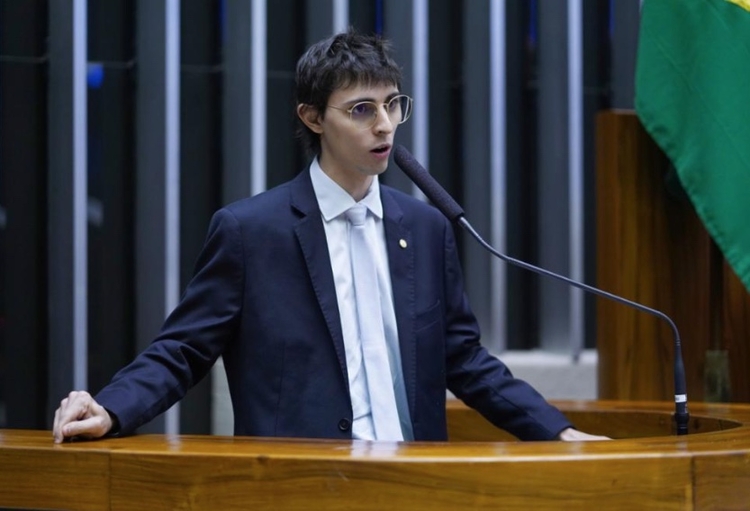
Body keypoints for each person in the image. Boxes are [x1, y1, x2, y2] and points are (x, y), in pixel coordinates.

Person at [53, 29, 606, 444]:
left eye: (393, 105)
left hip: (420, 479)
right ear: (313, 118)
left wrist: (556, 432)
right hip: (301, 483)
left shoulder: (425, 226)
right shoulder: (252, 231)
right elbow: (183, 349)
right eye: (362, 110)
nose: (385, 125)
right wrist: (113, 408)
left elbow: (464, 360)